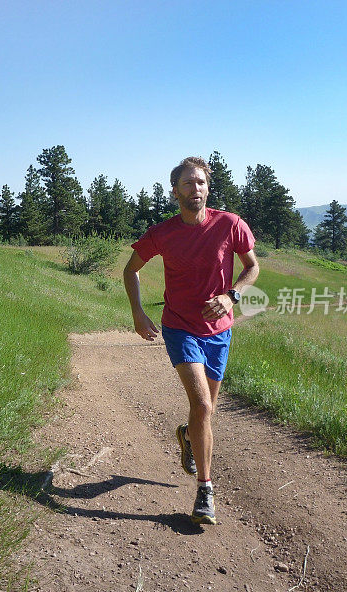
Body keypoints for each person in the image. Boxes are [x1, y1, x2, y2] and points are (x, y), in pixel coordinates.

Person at [123, 156, 259, 525]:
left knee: (204, 412)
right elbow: (131, 269)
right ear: (175, 191)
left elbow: (252, 267)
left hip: (220, 331)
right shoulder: (162, 233)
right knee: (202, 403)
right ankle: (205, 491)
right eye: (187, 183)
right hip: (180, 327)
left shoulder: (230, 224)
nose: (194, 189)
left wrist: (232, 296)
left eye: (200, 182)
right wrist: (138, 311)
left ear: (207, 188)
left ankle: (186, 434)